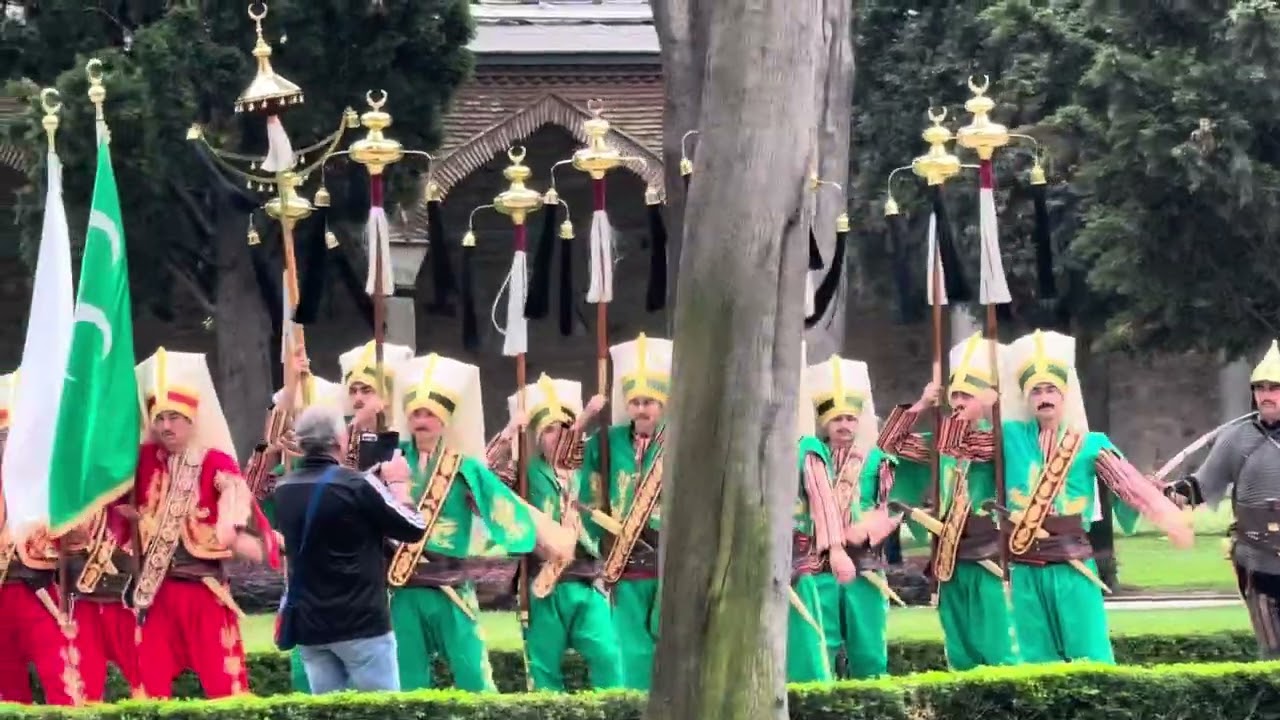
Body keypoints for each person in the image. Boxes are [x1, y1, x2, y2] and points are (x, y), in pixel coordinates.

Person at [951, 330, 1192, 663]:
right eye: (1036, 390)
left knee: (1089, 655)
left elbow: (1130, 486)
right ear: (1026, 397)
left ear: (1064, 395)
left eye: (1051, 389)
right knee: (1035, 660)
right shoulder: (1007, 438)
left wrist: (1168, 518)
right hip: (1024, 565)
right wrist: (984, 402)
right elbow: (955, 446)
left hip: (1072, 563)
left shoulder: (1090, 443)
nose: (1044, 396)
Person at [387, 353, 576, 692]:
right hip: (405, 588)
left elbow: (505, 508)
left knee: (474, 677)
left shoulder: (466, 467)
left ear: (445, 420)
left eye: (430, 412)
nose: (422, 419)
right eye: (416, 412)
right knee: (407, 680)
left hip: (452, 586)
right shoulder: (389, 460)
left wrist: (547, 543)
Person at [126, 348, 281, 698]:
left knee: (225, 686)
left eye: (174, 418)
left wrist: (232, 517)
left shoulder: (212, 460)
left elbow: (233, 491)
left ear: (192, 418)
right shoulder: (143, 461)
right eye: (160, 417)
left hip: (204, 590)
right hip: (156, 593)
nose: (166, 426)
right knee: (148, 688)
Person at [878, 333, 1019, 671]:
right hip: (948, 554)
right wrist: (923, 404)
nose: (958, 402)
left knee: (999, 645)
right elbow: (889, 443)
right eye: (954, 395)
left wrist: (981, 409)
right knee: (960, 645)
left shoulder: (998, 441)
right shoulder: (939, 445)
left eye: (966, 395)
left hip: (989, 554)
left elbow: (961, 445)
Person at [271, 403, 426, 693]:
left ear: (302, 444)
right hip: (361, 623)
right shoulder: (357, 485)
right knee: (381, 714)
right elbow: (412, 528)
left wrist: (373, 480)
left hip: (311, 626)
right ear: (339, 440)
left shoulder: (284, 488)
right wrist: (397, 484)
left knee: (330, 712)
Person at [486, 373, 620, 691]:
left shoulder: (587, 465)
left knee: (609, 657)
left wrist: (587, 417)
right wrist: (508, 433)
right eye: (547, 429)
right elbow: (487, 476)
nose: (556, 436)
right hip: (543, 583)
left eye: (563, 427)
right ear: (536, 437)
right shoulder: (526, 473)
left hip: (586, 581)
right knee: (544, 671)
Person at [1173, 339, 1280, 658]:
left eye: (1274, 387)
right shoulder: (1236, 439)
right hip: (1257, 558)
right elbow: (1201, 486)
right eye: (1260, 387)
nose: (1266, 394)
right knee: (1272, 653)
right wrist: (1167, 493)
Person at [579, 333, 672, 691]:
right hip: (625, 556)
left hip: (669, 554)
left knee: (673, 640)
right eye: (635, 402)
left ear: (662, 405)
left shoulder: (679, 440)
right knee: (631, 649)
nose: (642, 409)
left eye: (649, 401)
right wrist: (587, 416)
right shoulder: (607, 441)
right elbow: (569, 465)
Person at [803, 352, 897, 679]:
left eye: (850, 418)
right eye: (837, 418)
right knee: (819, 649)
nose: (844, 425)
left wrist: (870, 527)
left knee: (869, 652)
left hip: (864, 566)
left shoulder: (876, 459)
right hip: (816, 568)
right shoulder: (809, 456)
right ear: (825, 422)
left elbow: (893, 508)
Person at [0, 371, 85, 705]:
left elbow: (81, 535)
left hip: (40, 590)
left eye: (11, 435)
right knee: (7, 694)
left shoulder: (53, 476)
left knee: (65, 681)